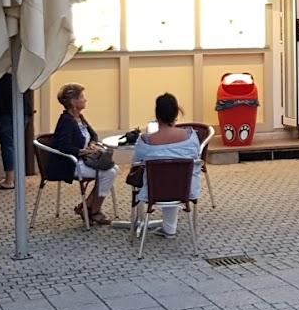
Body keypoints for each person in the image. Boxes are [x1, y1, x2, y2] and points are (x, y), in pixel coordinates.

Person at [132, 93, 201, 238]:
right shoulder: (191, 137)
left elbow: (136, 162)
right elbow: (195, 155)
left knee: (162, 178)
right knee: (174, 176)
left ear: (157, 115)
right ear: (176, 113)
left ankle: (148, 225)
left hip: (154, 192)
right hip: (184, 190)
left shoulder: (145, 141)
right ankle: (170, 228)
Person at [52, 83, 117, 224]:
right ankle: (94, 211)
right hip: (71, 163)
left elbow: (93, 135)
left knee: (114, 169)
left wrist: (92, 144)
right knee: (109, 173)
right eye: (81, 97)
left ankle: (86, 207)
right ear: (73, 102)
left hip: (85, 160)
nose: (85, 100)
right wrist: (82, 151)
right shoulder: (66, 121)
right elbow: (63, 146)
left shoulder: (80, 117)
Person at [0, 74, 33, 190]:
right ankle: (18, 178)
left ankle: (9, 179)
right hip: (23, 109)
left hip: (4, 110)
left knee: (8, 144)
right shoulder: (21, 66)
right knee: (18, 143)